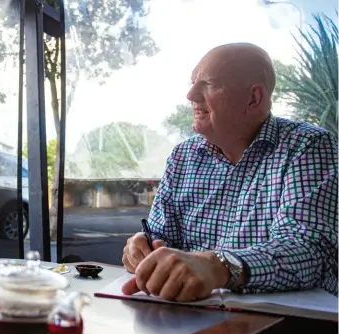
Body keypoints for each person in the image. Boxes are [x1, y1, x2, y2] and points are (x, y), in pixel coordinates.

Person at [122, 43, 338, 301]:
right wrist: (143, 249)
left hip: (288, 324)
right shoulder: (183, 156)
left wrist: (219, 267)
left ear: (253, 98)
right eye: (193, 83)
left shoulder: (308, 146)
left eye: (209, 84)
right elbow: (160, 237)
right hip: (189, 315)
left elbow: (308, 251)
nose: (191, 95)